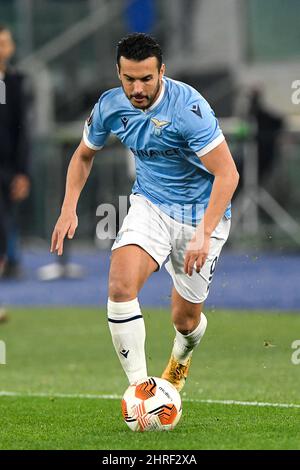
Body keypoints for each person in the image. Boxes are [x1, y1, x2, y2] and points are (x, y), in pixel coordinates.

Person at [51, 33, 239, 391]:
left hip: (200, 215)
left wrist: (203, 232)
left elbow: (227, 174)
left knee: (185, 321)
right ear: (118, 73)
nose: (137, 88)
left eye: (146, 79)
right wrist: (68, 208)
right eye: (129, 79)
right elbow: (83, 155)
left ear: (162, 72)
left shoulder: (188, 109)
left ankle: (181, 357)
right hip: (150, 205)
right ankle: (142, 392)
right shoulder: (109, 106)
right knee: (120, 286)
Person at [0, 25, 31, 279]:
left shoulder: (14, 82)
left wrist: (22, 171)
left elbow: (22, 130)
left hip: (8, 166)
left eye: (5, 43)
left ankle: (12, 259)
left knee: (7, 215)